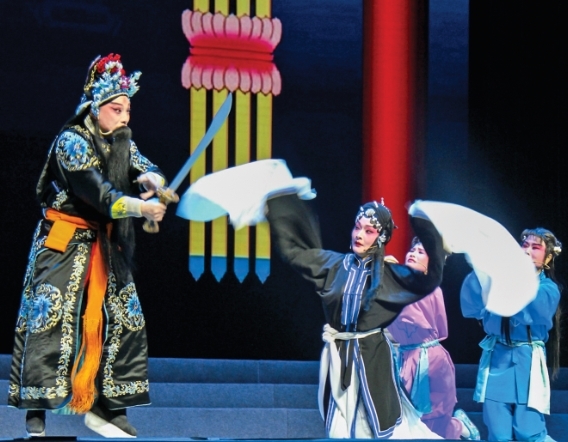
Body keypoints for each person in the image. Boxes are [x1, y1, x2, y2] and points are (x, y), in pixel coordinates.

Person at [7, 53, 167, 438]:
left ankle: (109, 409)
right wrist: (141, 207)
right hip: (63, 240)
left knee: (126, 316)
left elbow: (144, 166)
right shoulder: (72, 142)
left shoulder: (122, 141)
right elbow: (99, 193)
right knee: (49, 316)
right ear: (96, 108)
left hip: (104, 245)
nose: (124, 117)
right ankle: (37, 410)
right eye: (116, 109)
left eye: (128, 110)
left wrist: (153, 179)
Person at [264, 194, 446, 439]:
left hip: (372, 359)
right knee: (337, 429)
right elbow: (296, 253)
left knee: (371, 428)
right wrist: (279, 204)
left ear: (381, 237)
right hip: (338, 358)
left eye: (369, 231)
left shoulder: (389, 275)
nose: (359, 235)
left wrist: (424, 223)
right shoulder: (334, 265)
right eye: (357, 227)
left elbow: (429, 279)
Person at [460, 227, 562, 442]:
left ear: (548, 258)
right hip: (498, 358)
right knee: (498, 432)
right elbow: (473, 306)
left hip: (527, 361)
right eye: (524, 245)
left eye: (536, 247)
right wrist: (480, 270)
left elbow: (533, 309)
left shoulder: (548, 288)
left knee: (528, 431)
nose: (527, 251)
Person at [386, 238, 480, 440]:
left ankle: (459, 426)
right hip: (405, 356)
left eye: (421, 252)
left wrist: (390, 275)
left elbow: (410, 312)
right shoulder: (399, 287)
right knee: (410, 419)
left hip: (429, 359)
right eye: (412, 250)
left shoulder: (430, 289)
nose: (413, 254)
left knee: (433, 418)